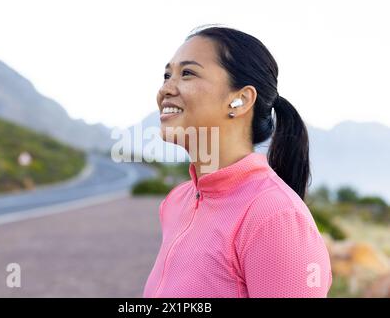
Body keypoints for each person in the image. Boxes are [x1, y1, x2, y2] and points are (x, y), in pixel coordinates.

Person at [142, 25, 332, 298]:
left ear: (240, 100)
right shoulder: (176, 202)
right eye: (166, 75)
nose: (166, 89)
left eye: (187, 73)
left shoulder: (276, 218)